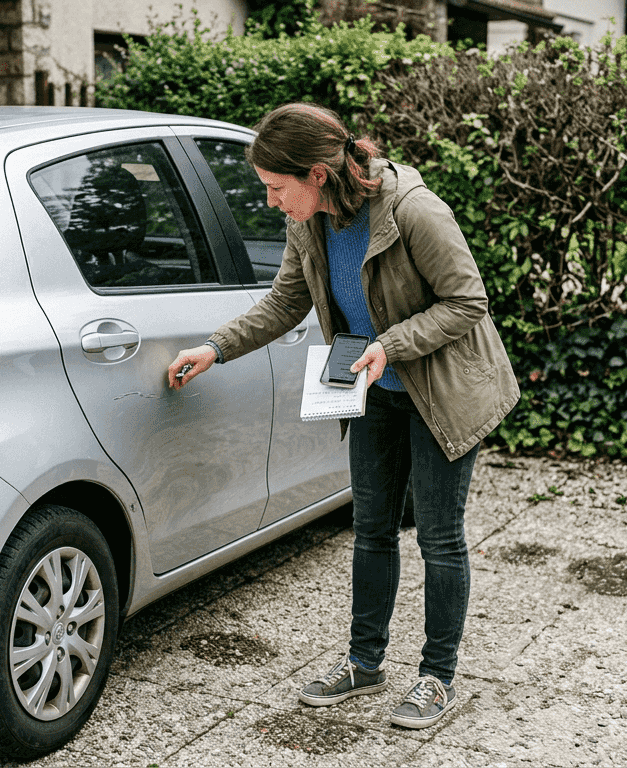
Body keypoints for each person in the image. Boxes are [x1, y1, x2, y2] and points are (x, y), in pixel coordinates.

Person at [166, 103, 519, 729]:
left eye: (277, 189)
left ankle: (436, 677)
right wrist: (214, 348)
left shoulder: (414, 210)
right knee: (373, 528)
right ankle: (365, 661)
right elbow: (284, 302)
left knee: (439, 537)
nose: (272, 202)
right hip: (372, 386)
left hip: (441, 386)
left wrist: (393, 344)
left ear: (317, 175)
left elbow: (468, 301)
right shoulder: (311, 224)